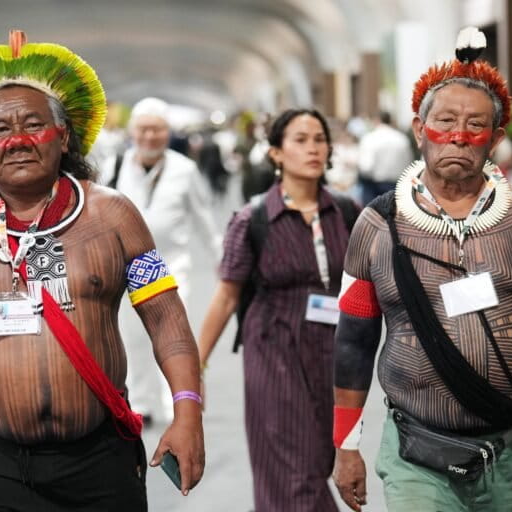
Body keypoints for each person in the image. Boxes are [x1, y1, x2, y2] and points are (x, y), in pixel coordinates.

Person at [0, 32, 204, 512]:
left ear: (64, 136)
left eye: (33, 125)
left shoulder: (113, 217)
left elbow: (166, 318)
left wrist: (188, 412)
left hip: (99, 461)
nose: (16, 141)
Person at [331, 27, 512, 511]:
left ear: (497, 139)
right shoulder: (376, 227)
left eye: (475, 126)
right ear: (420, 130)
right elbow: (353, 343)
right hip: (417, 454)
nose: (459, 136)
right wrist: (346, 445)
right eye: (444, 122)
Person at [198, 108, 361, 511]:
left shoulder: (345, 212)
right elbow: (226, 296)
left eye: (319, 139)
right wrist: (193, 368)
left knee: (321, 460)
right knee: (294, 473)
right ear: (275, 153)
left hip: (333, 355)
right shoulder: (252, 219)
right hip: (274, 351)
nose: (313, 149)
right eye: (300, 140)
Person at [97, 97, 221, 424]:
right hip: (126, 268)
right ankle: (141, 403)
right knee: (132, 337)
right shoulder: (116, 167)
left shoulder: (185, 169)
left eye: (157, 129)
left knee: (175, 336)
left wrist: (219, 257)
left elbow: (203, 217)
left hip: (172, 266)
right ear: (132, 132)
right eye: (143, 129)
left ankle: (176, 404)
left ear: (167, 132)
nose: (150, 136)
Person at [357, 111, 413, 205]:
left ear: (377, 120)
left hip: (374, 187)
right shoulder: (401, 138)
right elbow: (408, 163)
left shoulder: (370, 138)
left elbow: (366, 167)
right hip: (396, 185)